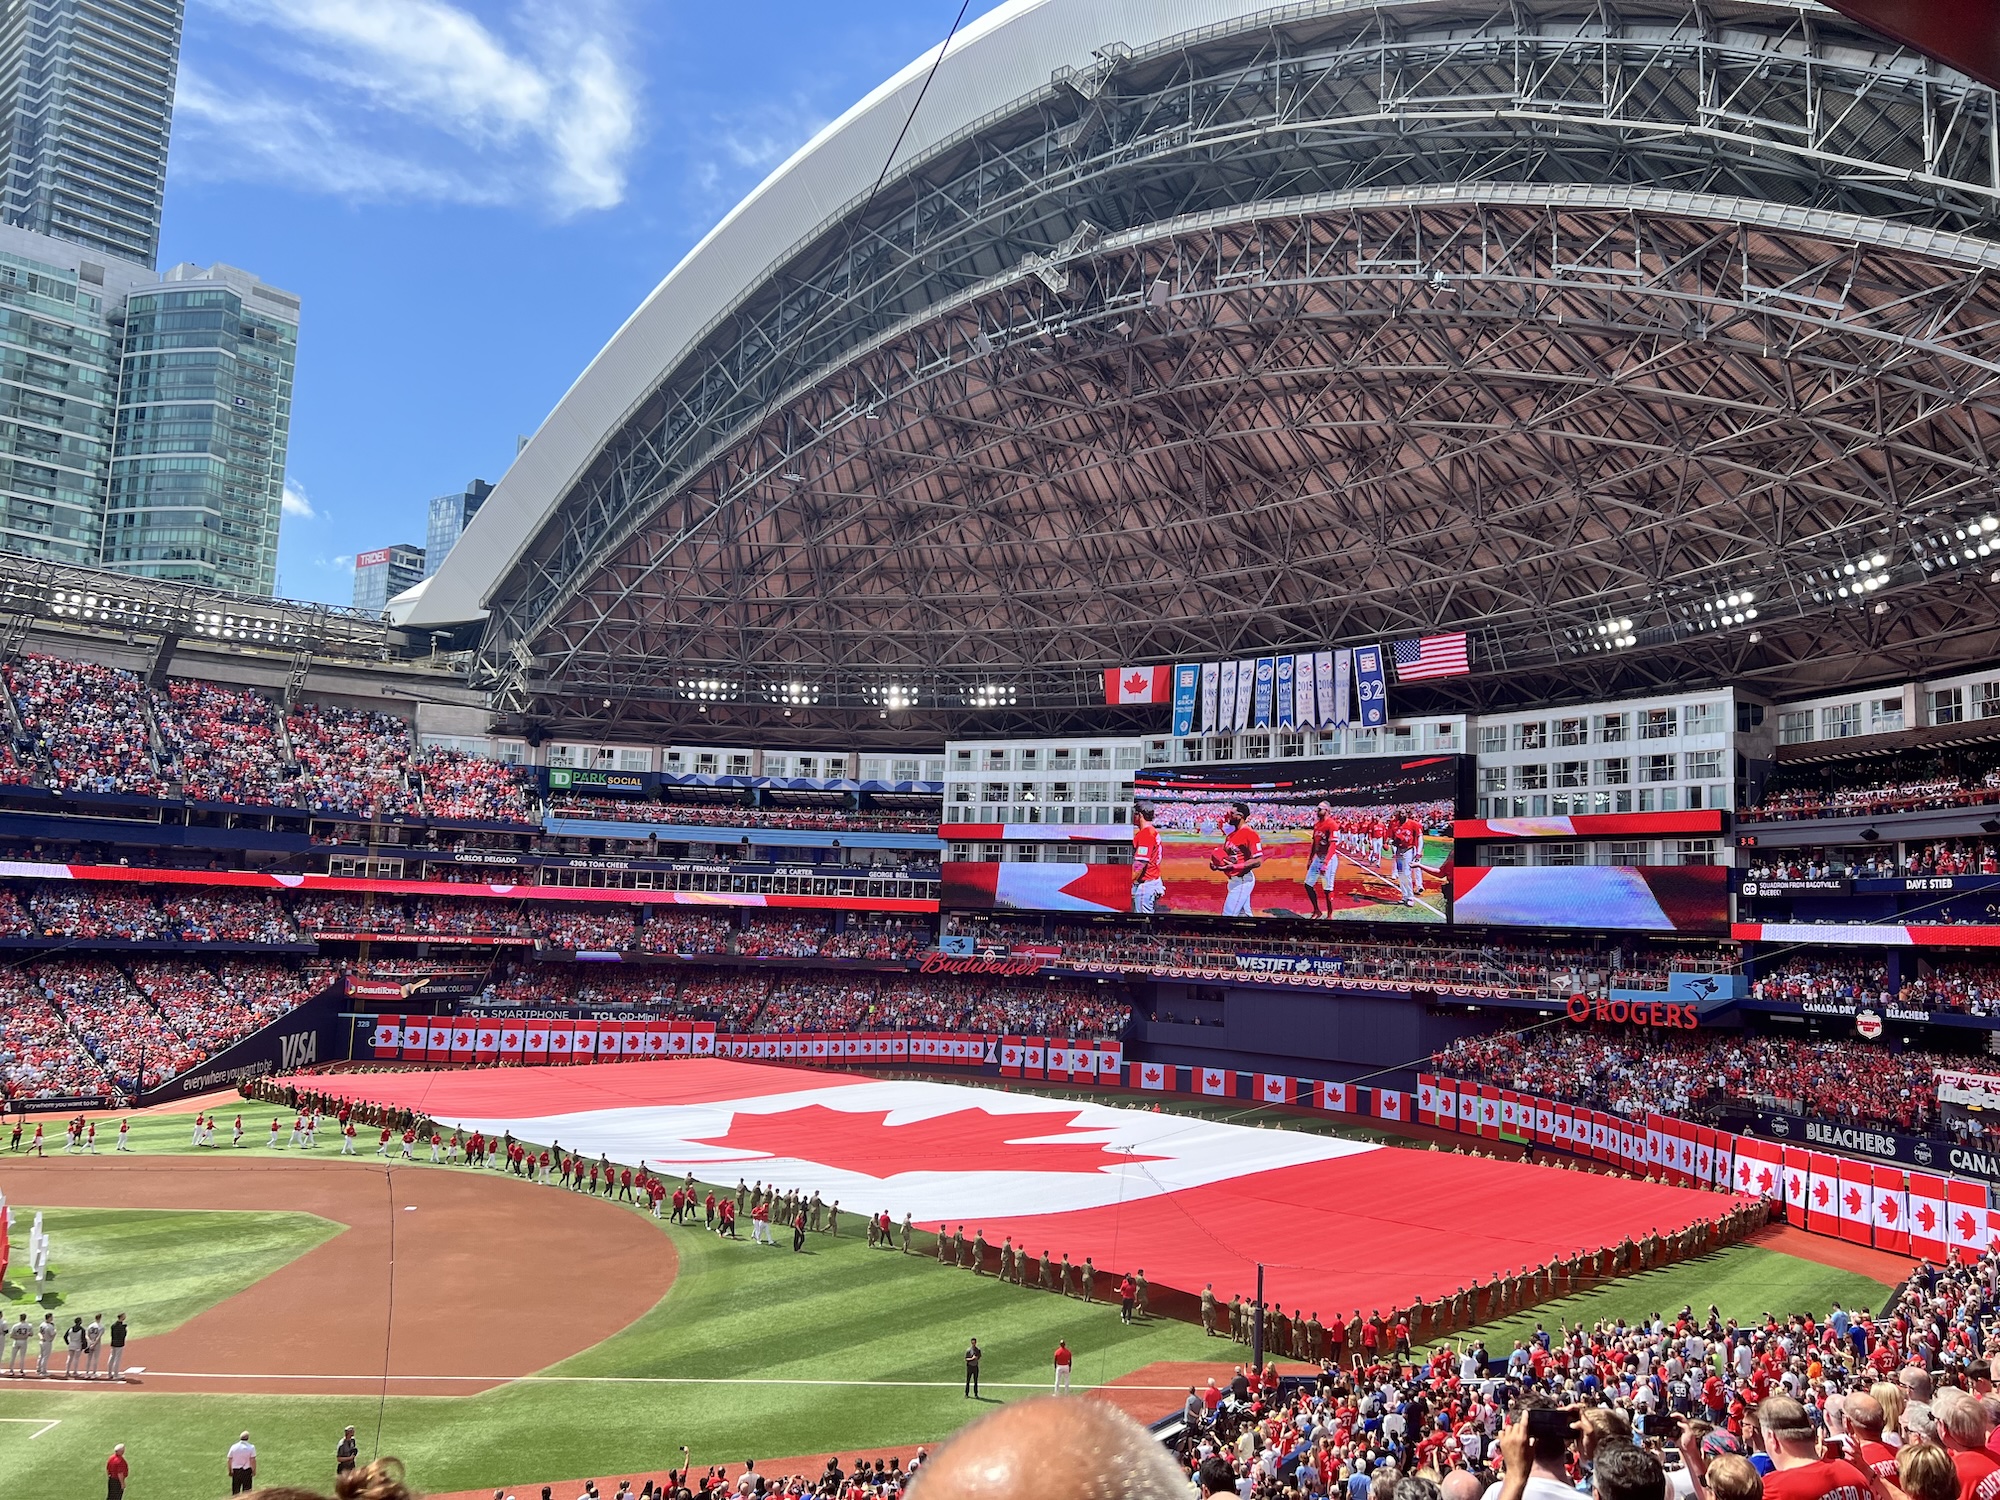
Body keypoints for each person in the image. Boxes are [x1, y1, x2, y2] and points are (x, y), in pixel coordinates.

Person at [1213, 801, 1264, 917]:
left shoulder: (1250, 834)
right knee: (1245, 915)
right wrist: (1217, 864)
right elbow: (1226, 856)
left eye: (1232, 813)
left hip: (1242, 880)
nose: (1228, 816)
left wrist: (1235, 866)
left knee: (1227, 916)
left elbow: (1258, 860)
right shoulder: (1231, 835)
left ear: (1240, 816)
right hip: (1233, 880)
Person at [1130, 802, 1166, 914]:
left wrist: (1126, 881)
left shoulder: (1146, 834)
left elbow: (1140, 864)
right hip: (1153, 881)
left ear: (1139, 815)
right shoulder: (1152, 831)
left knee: (1143, 923)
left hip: (1145, 885)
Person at [106, 1313, 127, 1381]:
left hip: (113, 1343)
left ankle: (109, 1373)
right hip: (119, 1344)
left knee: (111, 1357)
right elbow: (123, 1335)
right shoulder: (122, 1326)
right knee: (117, 1359)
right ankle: (116, 1375)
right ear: (121, 1317)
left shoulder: (113, 1325)